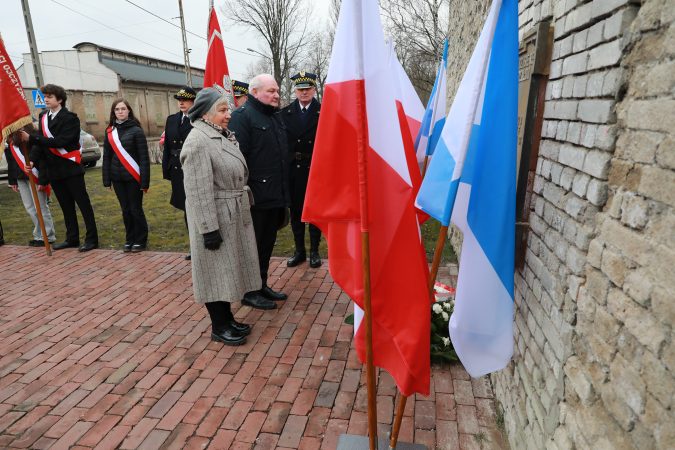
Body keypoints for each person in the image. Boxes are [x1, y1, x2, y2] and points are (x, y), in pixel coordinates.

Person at [181, 87, 261, 345]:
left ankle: (227, 319)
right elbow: (197, 190)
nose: (229, 114)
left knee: (226, 270)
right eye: (223, 110)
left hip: (230, 212)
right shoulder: (197, 141)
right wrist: (208, 229)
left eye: (228, 109)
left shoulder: (219, 135)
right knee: (214, 272)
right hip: (214, 216)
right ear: (205, 114)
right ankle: (219, 326)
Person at [229, 73, 290, 310]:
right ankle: (249, 291)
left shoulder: (274, 116)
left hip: (274, 193)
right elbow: (238, 159)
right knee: (252, 246)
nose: (276, 95)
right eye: (270, 91)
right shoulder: (242, 117)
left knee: (266, 244)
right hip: (255, 197)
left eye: (277, 91)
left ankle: (261, 284)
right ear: (254, 92)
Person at [19, 84, 99, 252]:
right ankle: (72, 238)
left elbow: (61, 141)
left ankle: (92, 239)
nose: (46, 99)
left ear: (60, 99)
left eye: (49, 97)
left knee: (83, 204)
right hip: (54, 169)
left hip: (70, 167)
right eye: (45, 97)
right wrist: (32, 160)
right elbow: (40, 144)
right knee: (66, 206)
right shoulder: (43, 116)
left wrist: (32, 138)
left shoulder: (70, 118)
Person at [281, 72, 323, 268]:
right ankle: (299, 251)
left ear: (314, 90)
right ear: (295, 91)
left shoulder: (324, 112)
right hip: (293, 170)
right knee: (296, 211)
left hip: (316, 169)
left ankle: (315, 251)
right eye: (300, 89)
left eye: (307, 89)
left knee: (315, 211)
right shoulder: (285, 113)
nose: (304, 92)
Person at [102, 99, 150, 252]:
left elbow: (144, 158)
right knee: (125, 210)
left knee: (135, 209)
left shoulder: (137, 131)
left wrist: (144, 182)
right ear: (113, 112)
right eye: (117, 109)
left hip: (133, 177)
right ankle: (130, 239)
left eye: (123, 109)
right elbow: (107, 156)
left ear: (129, 110)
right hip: (117, 178)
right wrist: (106, 179)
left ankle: (140, 240)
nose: (120, 112)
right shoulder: (110, 132)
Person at [4, 129, 56, 247]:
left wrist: (43, 180)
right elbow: (11, 162)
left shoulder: (30, 136)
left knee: (41, 207)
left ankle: (48, 235)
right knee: (30, 208)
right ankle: (38, 235)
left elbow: (42, 159)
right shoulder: (9, 141)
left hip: (35, 176)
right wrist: (12, 181)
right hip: (20, 178)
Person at [162, 86, 196, 260]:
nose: (181, 103)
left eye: (186, 100)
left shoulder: (199, 118)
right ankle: (193, 246)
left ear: (193, 101)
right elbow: (167, 148)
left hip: (193, 166)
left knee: (195, 207)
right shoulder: (172, 120)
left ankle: (200, 245)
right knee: (185, 208)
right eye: (179, 100)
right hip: (176, 168)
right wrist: (166, 169)